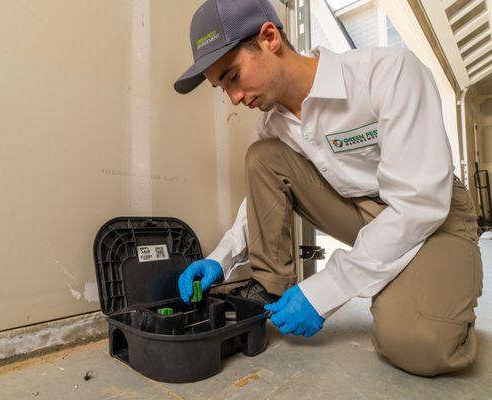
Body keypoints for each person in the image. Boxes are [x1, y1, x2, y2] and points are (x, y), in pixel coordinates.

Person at [174, 0, 483, 376]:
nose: (234, 98)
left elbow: (420, 205)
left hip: (434, 213)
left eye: (233, 76)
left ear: (270, 37)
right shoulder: (275, 125)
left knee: (421, 347)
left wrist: (327, 289)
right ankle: (269, 289)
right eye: (221, 87)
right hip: (360, 211)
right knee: (262, 156)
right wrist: (219, 259)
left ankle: (440, 286)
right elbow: (258, 197)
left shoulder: (390, 73)